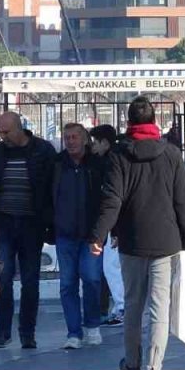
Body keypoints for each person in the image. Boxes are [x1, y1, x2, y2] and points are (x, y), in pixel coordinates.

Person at [91, 97, 185, 370]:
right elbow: (183, 200)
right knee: (160, 306)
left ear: (129, 122)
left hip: (132, 240)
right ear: (154, 120)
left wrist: (99, 235)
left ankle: (132, 364)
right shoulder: (172, 155)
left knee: (133, 304)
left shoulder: (118, 156)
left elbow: (112, 200)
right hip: (166, 239)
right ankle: (154, 368)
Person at [0, 110, 56, 349]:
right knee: (3, 276)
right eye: (0, 132)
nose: (3, 136)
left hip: (31, 223)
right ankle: (2, 331)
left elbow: (52, 186)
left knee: (30, 280)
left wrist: (49, 219)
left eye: (6, 132)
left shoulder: (42, 150)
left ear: (19, 128)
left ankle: (27, 332)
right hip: (2, 222)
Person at [52, 123, 105, 350]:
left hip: (91, 233)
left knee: (92, 278)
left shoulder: (97, 165)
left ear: (85, 139)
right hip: (65, 233)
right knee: (67, 284)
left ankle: (92, 325)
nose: (70, 141)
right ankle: (74, 332)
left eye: (75, 137)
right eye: (67, 138)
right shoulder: (57, 165)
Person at [89, 124, 125, 326]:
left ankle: (121, 307)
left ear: (105, 142)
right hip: (114, 223)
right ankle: (119, 306)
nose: (92, 147)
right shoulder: (110, 160)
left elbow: (113, 198)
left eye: (95, 142)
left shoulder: (110, 163)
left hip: (113, 223)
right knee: (113, 266)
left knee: (112, 266)